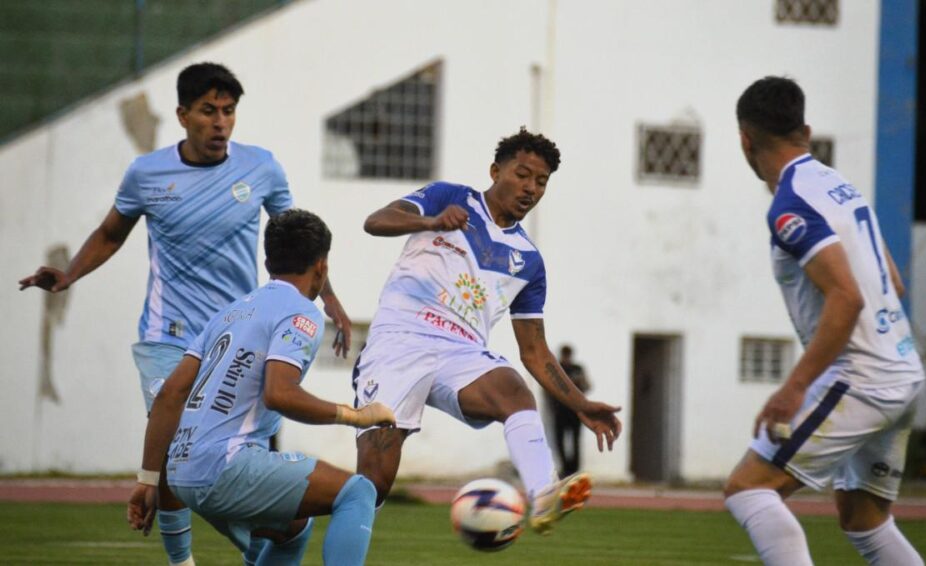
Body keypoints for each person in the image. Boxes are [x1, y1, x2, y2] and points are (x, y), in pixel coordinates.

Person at [18, 62, 352, 566]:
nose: (220, 122)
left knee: (253, 468)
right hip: (168, 334)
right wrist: (68, 276)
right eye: (208, 111)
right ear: (182, 115)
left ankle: (262, 550)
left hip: (241, 335)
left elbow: (298, 243)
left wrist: (330, 300)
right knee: (175, 437)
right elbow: (111, 233)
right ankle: (182, 562)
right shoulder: (147, 174)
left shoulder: (261, 168)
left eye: (229, 111)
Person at [353, 127, 622, 535]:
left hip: (460, 354)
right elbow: (375, 222)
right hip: (399, 342)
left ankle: (543, 493)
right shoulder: (451, 197)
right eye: (522, 174)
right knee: (372, 484)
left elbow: (536, 353)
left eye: (541, 181)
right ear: (495, 171)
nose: (530, 187)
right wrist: (430, 221)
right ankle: (291, 526)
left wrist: (580, 404)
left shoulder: (529, 261)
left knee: (515, 391)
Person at [724, 76, 925, 565]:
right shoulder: (839, 186)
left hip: (862, 380)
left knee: (748, 489)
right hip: (902, 372)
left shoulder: (790, 205)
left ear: (745, 140)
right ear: (806, 131)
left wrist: (794, 388)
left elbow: (846, 297)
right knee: (864, 518)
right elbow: (891, 284)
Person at [127, 209, 395, 566]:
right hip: (226, 466)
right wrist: (356, 416)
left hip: (181, 470)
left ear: (267, 261)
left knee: (294, 528)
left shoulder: (229, 314)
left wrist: (148, 479)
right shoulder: (301, 312)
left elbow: (169, 395)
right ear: (321, 267)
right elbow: (279, 394)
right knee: (358, 491)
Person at [547, 345, 591, 477]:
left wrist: (579, 382)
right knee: (559, 441)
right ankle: (565, 468)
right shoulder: (557, 368)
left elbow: (587, 386)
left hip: (575, 411)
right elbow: (549, 388)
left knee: (575, 441)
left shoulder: (577, 369)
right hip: (560, 410)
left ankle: (574, 469)